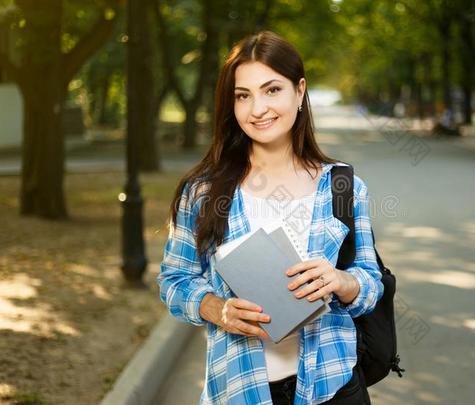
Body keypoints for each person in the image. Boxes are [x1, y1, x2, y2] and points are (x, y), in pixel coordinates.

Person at [158, 30, 383, 405]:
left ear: (300, 91)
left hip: (333, 386)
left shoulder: (343, 186)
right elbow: (174, 280)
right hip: (240, 389)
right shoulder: (203, 191)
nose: (257, 108)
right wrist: (218, 308)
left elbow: (371, 281)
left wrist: (342, 281)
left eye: (272, 90)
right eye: (242, 96)